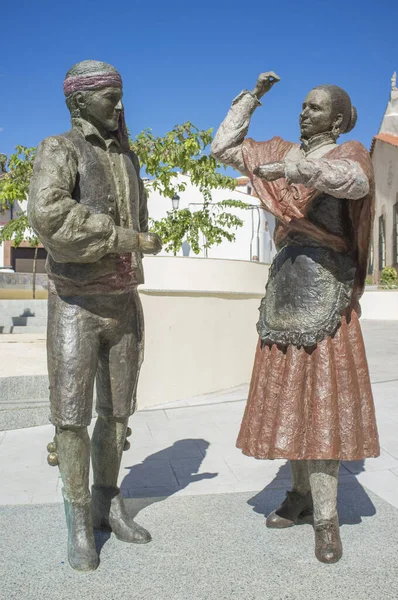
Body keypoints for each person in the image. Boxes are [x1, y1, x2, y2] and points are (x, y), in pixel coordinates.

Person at [211, 72, 379, 564]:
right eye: (303, 105)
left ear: (340, 119)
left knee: (322, 406)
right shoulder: (280, 150)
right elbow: (223, 148)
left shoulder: (351, 155)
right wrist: (252, 98)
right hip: (286, 290)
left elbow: (356, 183)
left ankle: (327, 518)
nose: (305, 112)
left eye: (317, 106)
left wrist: (294, 168)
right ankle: (299, 495)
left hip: (327, 292)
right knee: (291, 402)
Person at [28, 60, 162, 572]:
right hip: (76, 304)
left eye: (120, 94)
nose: (120, 105)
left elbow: (139, 216)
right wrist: (122, 238)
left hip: (123, 302)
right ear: (80, 101)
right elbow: (50, 215)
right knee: (71, 418)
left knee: (118, 413)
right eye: (110, 95)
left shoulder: (126, 157)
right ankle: (79, 522)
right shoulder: (59, 150)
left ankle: (108, 501)